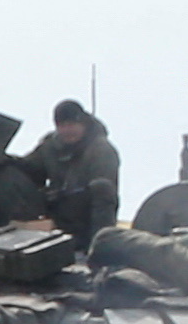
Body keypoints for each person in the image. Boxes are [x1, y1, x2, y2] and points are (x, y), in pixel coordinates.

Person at [27, 96, 121, 240]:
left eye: (71, 124)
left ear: (83, 123)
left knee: (102, 187)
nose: (67, 130)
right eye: (62, 126)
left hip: (85, 218)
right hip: (55, 213)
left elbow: (104, 192)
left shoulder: (101, 150)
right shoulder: (50, 146)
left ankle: (100, 243)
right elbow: (30, 168)